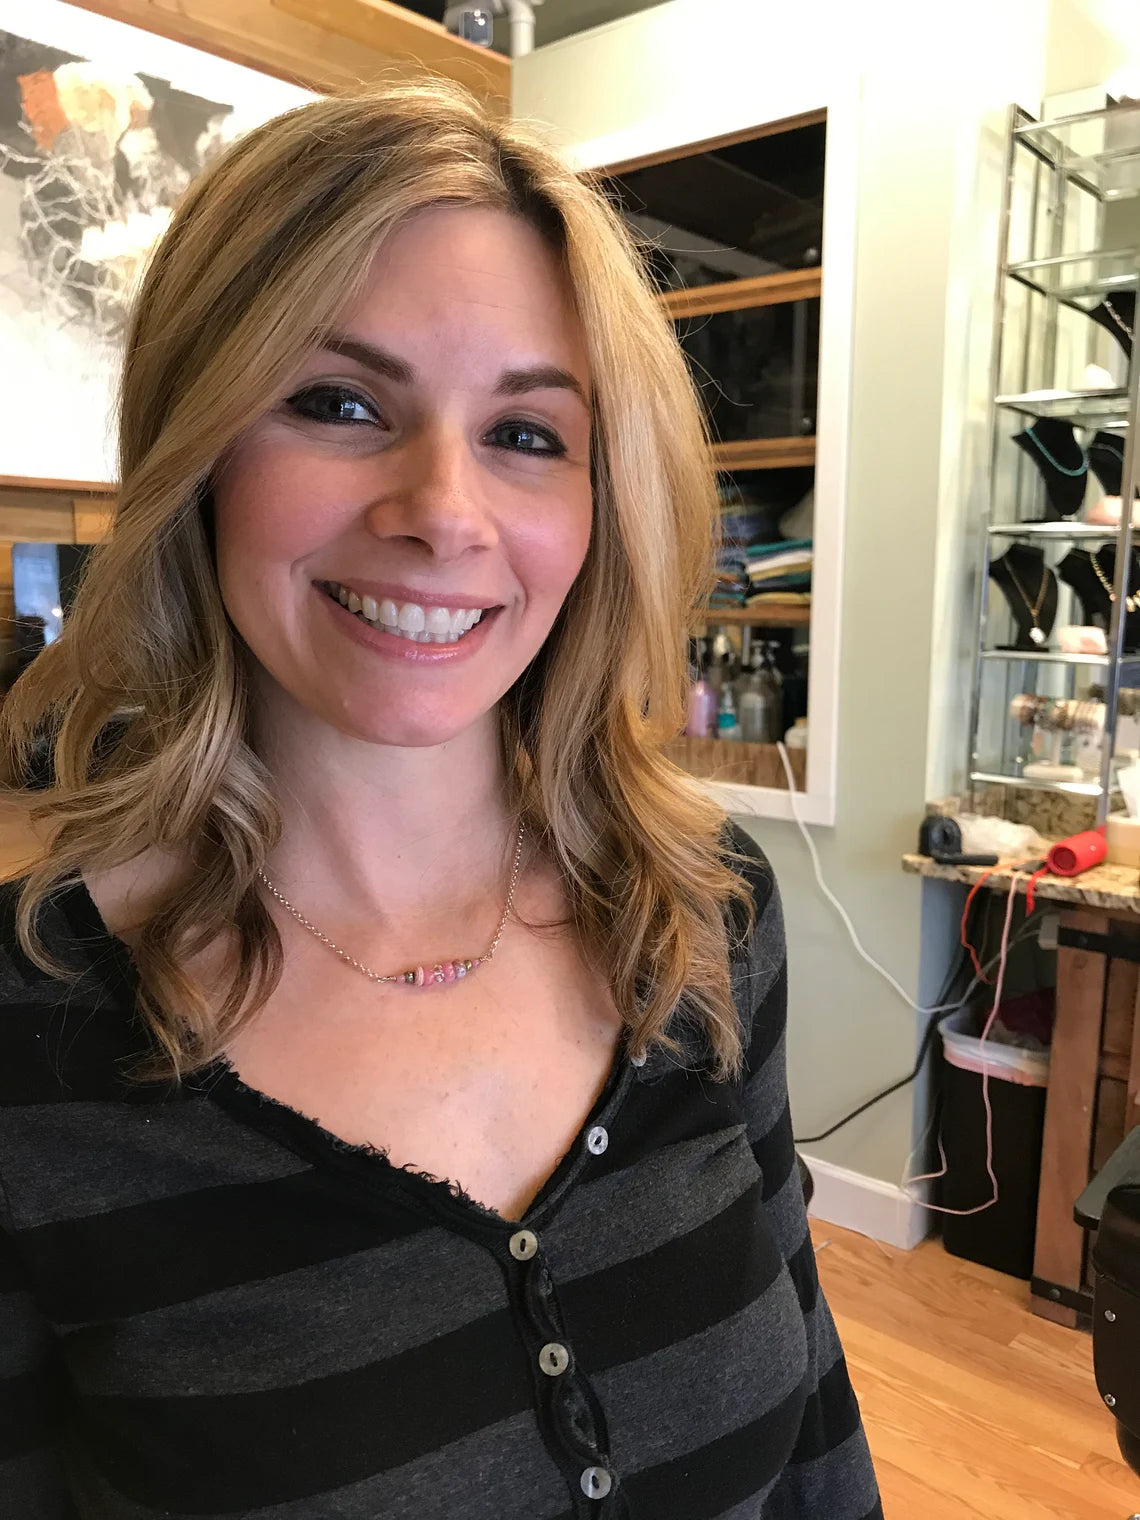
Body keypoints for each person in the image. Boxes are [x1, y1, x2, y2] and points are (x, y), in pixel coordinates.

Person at [0, 77, 881, 1519]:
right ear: (200, 450)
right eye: (339, 404)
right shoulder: (27, 1043)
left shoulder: (701, 911)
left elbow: (814, 1421)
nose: (444, 513)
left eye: (527, 434)